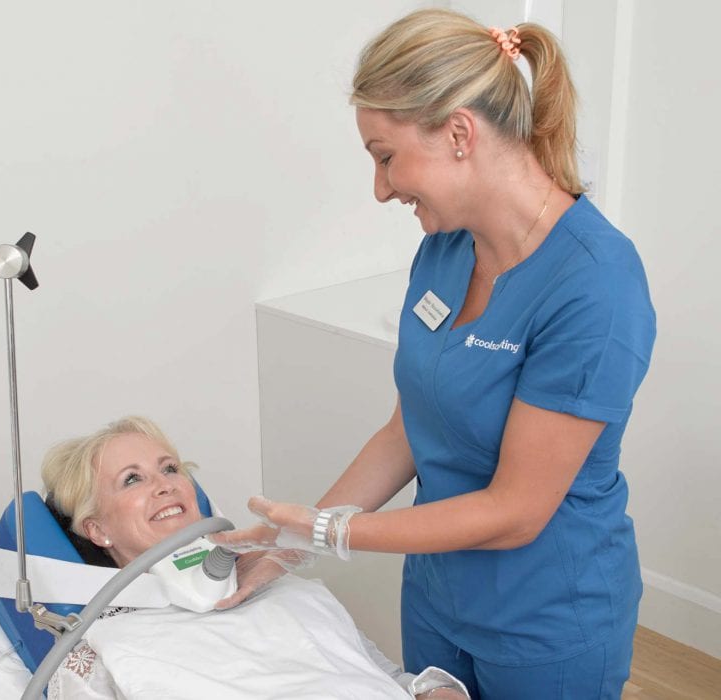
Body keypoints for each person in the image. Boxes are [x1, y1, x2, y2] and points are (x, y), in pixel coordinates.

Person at [210, 8, 657, 700]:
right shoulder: (443, 251)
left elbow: (516, 510)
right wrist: (286, 546)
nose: (382, 188)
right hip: (436, 599)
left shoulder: (596, 284)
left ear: (458, 134)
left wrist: (331, 533)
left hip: (546, 625)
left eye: (385, 156)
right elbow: (408, 431)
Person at [41, 416, 470, 699]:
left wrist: (432, 693)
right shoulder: (103, 646)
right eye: (132, 479)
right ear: (96, 529)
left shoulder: (284, 588)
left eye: (170, 469)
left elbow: (383, 677)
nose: (164, 485)